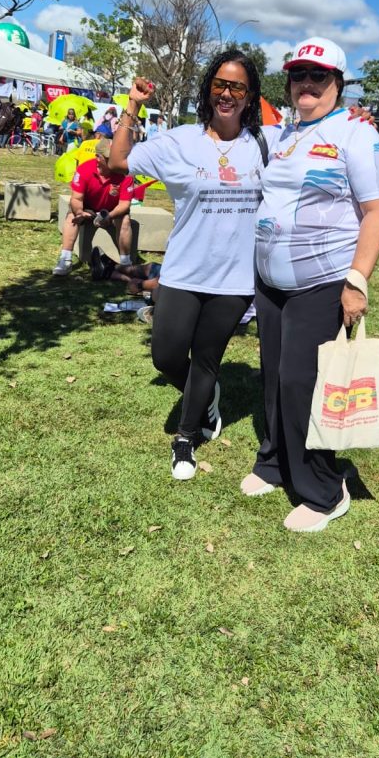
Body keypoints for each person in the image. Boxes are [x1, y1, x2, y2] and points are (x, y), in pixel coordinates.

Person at [241, 37, 379, 532]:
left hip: (323, 281)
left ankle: (325, 490)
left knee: (302, 382)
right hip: (271, 282)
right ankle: (274, 462)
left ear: (339, 83)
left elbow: (378, 210)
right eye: (298, 75)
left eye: (318, 76)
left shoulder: (356, 134)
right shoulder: (283, 133)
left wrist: (357, 281)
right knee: (273, 376)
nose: (306, 84)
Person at [108, 54, 280, 481]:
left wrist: (351, 122)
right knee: (166, 356)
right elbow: (117, 161)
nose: (227, 93)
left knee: (206, 358)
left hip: (236, 277)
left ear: (250, 96)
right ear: (208, 89)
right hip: (183, 271)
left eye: (237, 87)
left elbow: (315, 138)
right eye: (220, 84)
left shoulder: (267, 142)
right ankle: (206, 397)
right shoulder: (180, 141)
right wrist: (133, 105)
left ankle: (186, 438)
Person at [52, 138, 135, 276]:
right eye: (109, 157)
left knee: (125, 219)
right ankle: (65, 259)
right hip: (88, 208)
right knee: (72, 216)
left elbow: (125, 205)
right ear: (98, 157)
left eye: (116, 156)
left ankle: (126, 263)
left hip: (113, 211)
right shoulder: (84, 169)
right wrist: (79, 212)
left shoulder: (126, 174)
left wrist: (110, 216)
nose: (114, 160)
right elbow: (76, 198)